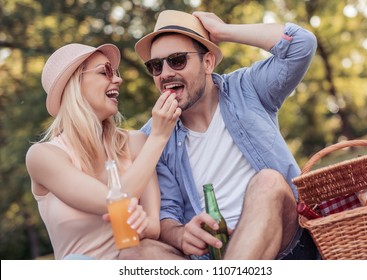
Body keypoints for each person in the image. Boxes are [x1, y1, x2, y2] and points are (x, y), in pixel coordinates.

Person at [134, 10, 319, 259]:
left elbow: (301, 44)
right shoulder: (154, 135)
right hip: (213, 256)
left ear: (208, 62)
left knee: (269, 181)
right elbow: (166, 213)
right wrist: (180, 235)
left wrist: (224, 31)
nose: (165, 73)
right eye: (156, 66)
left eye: (177, 60)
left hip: (286, 244)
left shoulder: (248, 88)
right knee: (138, 252)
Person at [25, 43, 183, 259]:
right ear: (75, 84)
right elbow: (113, 203)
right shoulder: (44, 156)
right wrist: (159, 136)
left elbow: (153, 227)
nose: (118, 80)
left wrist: (139, 222)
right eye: (105, 72)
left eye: (115, 72)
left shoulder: (136, 142)